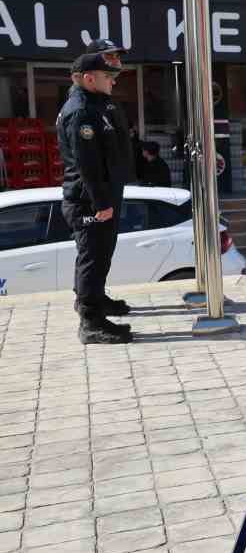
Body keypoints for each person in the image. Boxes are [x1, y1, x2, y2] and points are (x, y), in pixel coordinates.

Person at [57, 53, 135, 344]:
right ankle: (90, 321)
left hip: (101, 197)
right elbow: (87, 165)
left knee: (100, 254)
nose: (112, 80)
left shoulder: (95, 105)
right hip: (89, 200)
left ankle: (96, 300)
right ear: (89, 78)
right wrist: (102, 204)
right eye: (107, 76)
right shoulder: (81, 112)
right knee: (93, 257)